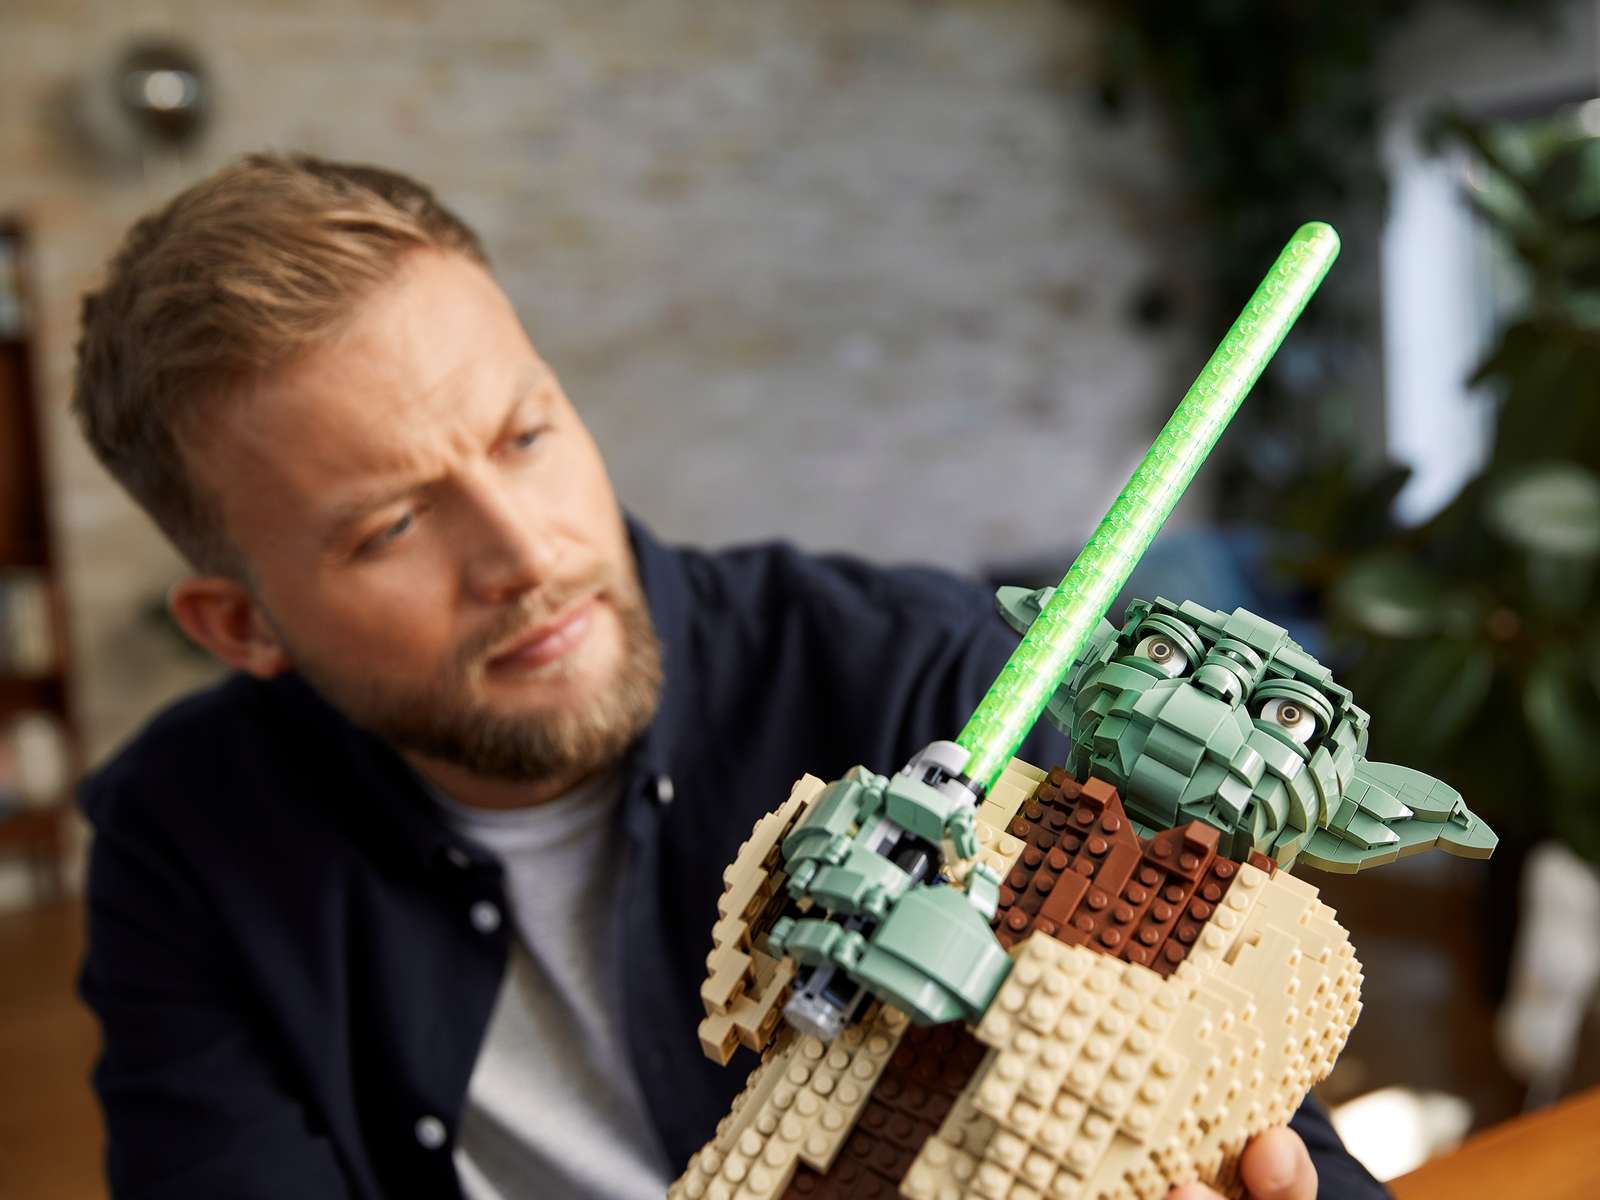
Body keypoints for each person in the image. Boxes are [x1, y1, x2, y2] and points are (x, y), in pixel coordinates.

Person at [71, 154, 1382, 1200]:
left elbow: (1271, 1130)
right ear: (240, 626)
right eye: (390, 527)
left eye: (525, 436)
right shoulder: (182, 835)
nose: (526, 555)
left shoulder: (918, 679)